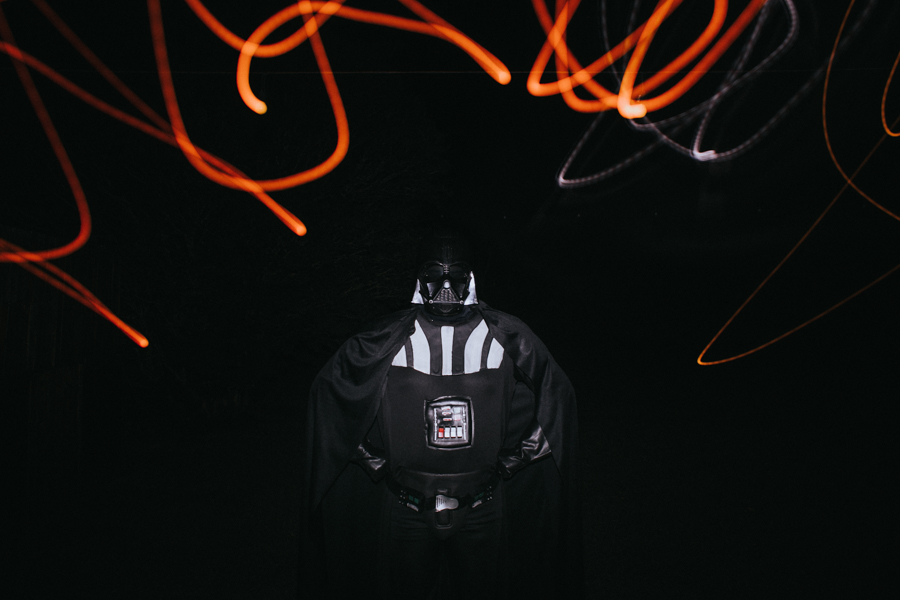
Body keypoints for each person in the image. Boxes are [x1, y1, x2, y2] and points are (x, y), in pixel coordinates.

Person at [301, 230, 582, 599]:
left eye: (456, 276)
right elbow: (331, 402)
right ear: (420, 279)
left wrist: (516, 459)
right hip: (406, 504)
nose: (446, 287)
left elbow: (557, 401)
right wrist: (372, 461)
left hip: (482, 503)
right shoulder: (383, 340)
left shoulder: (508, 338)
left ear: (471, 279)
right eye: (434, 275)